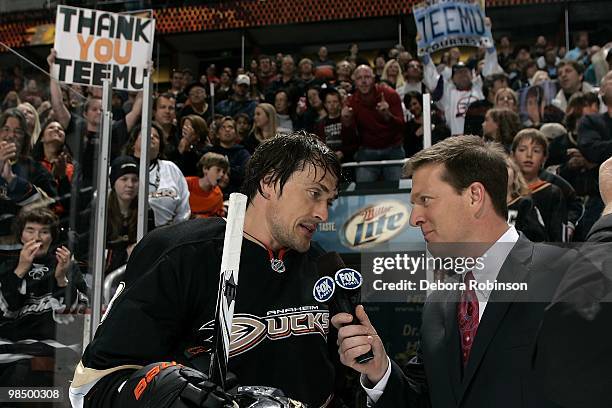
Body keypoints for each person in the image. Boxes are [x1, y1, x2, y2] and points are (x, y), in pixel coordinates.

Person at [69, 132, 344, 408]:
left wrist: (374, 376)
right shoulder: (180, 253)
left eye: (328, 201)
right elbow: (91, 387)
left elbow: (344, 380)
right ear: (269, 182)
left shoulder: (321, 265)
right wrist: (164, 394)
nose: (323, 213)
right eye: (314, 193)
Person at [332, 135, 575, 408]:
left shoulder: (563, 276)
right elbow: (424, 399)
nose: (414, 218)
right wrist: (380, 371)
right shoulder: (439, 302)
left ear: (474, 196)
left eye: (425, 199)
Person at [0, 207, 87, 387]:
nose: (37, 237)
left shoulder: (66, 265)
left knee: (22, 374)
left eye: (44, 232)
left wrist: (62, 279)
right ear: (21, 236)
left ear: (52, 237)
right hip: (11, 344)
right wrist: (20, 270)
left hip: (55, 345)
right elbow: (5, 310)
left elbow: (79, 318)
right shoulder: (7, 266)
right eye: (30, 230)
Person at [342, 65, 405, 182]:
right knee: (362, 190)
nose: (364, 81)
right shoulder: (351, 102)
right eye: (360, 78)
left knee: (397, 193)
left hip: (393, 149)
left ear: (374, 79)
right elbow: (349, 139)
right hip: (367, 150)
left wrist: (388, 115)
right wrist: (346, 123)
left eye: (367, 77)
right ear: (355, 81)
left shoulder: (390, 94)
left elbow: (402, 127)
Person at [123, 123, 190, 227]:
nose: (151, 137)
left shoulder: (171, 169)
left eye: (156, 136)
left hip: (166, 234)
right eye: (146, 134)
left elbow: (184, 209)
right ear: (133, 144)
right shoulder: (122, 167)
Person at [512, 129, 568, 241]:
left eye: (536, 151)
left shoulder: (552, 193)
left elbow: (557, 235)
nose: (529, 155)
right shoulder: (502, 190)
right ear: (512, 155)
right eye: (522, 150)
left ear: (544, 157)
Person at [105, 155, 154, 276]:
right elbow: (85, 258)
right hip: (103, 278)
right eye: (124, 179)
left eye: (134, 179)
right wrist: (125, 254)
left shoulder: (146, 211)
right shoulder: (99, 212)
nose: (130, 184)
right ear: (113, 182)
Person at [186, 152, 228, 218]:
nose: (222, 174)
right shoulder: (187, 184)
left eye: (223, 172)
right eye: (218, 170)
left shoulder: (218, 195)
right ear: (205, 169)